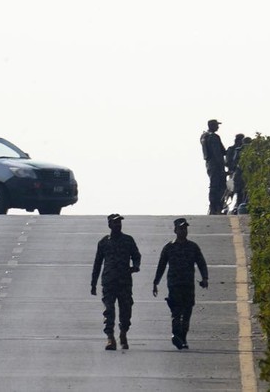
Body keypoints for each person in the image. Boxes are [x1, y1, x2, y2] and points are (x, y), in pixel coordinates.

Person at [152, 218, 209, 350]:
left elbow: (201, 263)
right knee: (176, 312)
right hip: (174, 284)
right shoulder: (169, 248)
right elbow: (161, 266)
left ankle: (183, 337)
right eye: (181, 228)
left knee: (187, 312)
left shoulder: (193, 247)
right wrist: (156, 282)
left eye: (185, 228)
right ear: (175, 230)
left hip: (188, 284)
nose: (183, 231)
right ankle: (176, 334)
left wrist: (205, 278)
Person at [91, 213, 142, 350]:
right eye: (115, 222)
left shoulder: (128, 240)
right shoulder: (103, 242)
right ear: (109, 225)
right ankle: (110, 338)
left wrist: (136, 266)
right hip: (109, 281)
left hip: (124, 282)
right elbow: (97, 263)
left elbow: (136, 255)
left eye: (119, 222)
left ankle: (123, 333)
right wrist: (93, 283)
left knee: (126, 310)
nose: (118, 225)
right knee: (109, 310)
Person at [200, 119, 227, 214]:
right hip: (216, 164)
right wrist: (223, 167)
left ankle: (213, 207)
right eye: (216, 125)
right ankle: (216, 207)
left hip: (209, 164)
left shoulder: (204, 136)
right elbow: (218, 153)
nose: (218, 127)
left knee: (213, 185)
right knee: (218, 186)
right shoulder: (213, 137)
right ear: (212, 126)